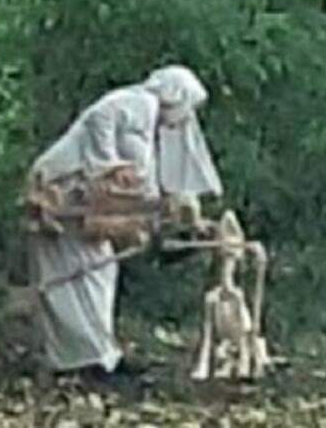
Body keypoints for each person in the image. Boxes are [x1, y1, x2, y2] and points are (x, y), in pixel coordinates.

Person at [27, 65, 223, 379]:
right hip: (64, 190)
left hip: (83, 195)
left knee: (101, 269)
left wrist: (158, 212)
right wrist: (105, 166)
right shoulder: (138, 103)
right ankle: (82, 361)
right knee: (77, 274)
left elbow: (141, 179)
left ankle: (101, 356)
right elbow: (99, 120)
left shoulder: (145, 117)